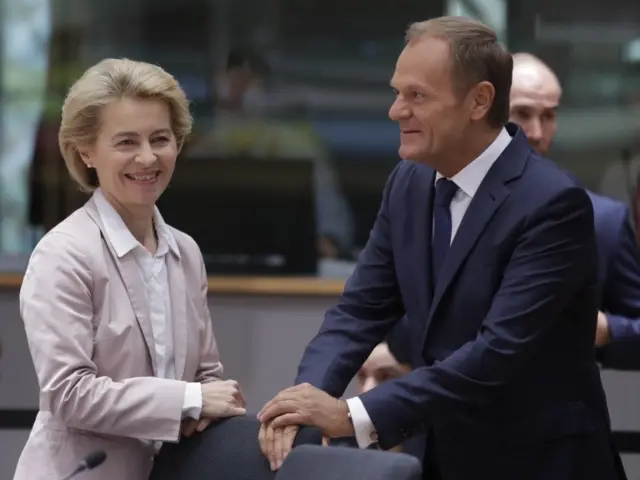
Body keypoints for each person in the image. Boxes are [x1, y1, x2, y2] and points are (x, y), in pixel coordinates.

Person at [256, 16, 623, 480]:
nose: (395, 111)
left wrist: (350, 416)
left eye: (417, 96)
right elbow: (359, 311)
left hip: (535, 464)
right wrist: (302, 402)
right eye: (397, 92)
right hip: (434, 456)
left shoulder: (552, 202)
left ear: (479, 101)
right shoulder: (408, 182)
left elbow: (495, 354)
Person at [13, 58, 247, 480]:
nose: (147, 157)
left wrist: (206, 401)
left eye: (160, 138)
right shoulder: (62, 254)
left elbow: (206, 377)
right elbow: (70, 395)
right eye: (125, 142)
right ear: (86, 150)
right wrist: (189, 400)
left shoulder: (186, 252)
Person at [510, 52, 640, 369]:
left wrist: (604, 330)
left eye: (549, 116)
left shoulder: (602, 221)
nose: (537, 133)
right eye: (522, 114)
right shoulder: (437, 205)